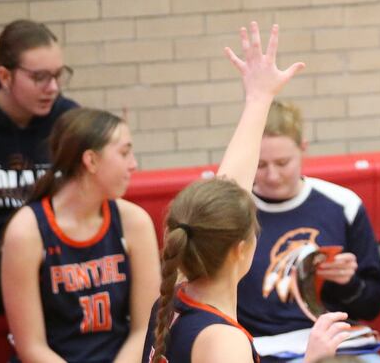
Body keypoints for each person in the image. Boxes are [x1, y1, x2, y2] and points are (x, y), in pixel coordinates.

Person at [143, 23, 353, 363]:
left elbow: (226, 193)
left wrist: (259, 98)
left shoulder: (173, 300)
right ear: (241, 250)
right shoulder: (222, 340)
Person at [0, 107, 161, 362]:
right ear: (91, 160)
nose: (133, 164)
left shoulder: (134, 222)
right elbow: (31, 347)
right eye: (124, 152)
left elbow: (145, 329)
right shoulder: (26, 231)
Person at [235, 100, 380, 347]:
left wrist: (348, 283)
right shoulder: (233, 210)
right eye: (260, 165)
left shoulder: (343, 204)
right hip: (256, 346)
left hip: (333, 343)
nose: (272, 176)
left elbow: (372, 304)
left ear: (303, 148)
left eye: (283, 163)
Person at [0, 19, 78, 313]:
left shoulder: (67, 119)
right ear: (5, 76)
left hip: (51, 248)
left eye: (59, 75)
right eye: (40, 77)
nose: (53, 87)